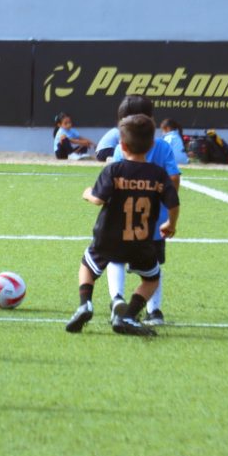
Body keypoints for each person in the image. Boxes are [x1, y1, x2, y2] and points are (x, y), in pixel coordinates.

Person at [65, 114, 180, 336]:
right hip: (141, 241)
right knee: (151, 279)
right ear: (151, 145)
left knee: (87, 266)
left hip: (108, 239)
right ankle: (129, 315)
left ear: (122, 145)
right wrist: (170, 223)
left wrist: (87, 193)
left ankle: (85, 304)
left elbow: (98, 199)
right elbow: (173, 203)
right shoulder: (158, 175)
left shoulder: (114, 170)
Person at [107, 96, 181, 326]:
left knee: (115, 259)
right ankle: (153, 311)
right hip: (155, 223)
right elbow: (174, 177)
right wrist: (165, 201)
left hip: (125, 221)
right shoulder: (163, 147)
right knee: (152, 268)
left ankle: (117, 299)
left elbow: (113, 179)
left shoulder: (121, 149)